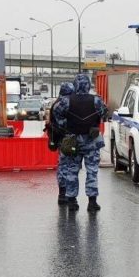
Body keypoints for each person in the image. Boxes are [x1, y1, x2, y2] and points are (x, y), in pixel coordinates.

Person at [53, 74, 108, 212]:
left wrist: (65, 125)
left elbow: (56, 112)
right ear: (88, 85)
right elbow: (105, 113)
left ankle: (71, 201)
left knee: (72, 170)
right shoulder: (96, 100)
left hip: (73, 141)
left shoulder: (67, 101)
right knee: (92, 172)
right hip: (91, 142)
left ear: (75, 85)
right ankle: (92, 202)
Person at [46, 82, 75, 205]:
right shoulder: (68, 104)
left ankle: (62, 193)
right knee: (72, 166)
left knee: (62, 166)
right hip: (70, 139)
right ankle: (70, 194)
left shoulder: (55, 104)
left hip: (58, 139)